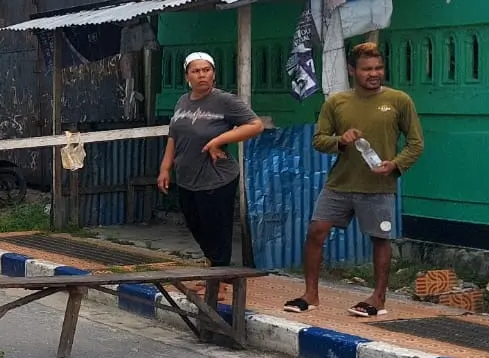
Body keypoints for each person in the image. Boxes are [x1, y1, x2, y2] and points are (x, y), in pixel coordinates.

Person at [286, 42, 423, 318]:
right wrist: (341, 140)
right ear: (352, 70)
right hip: (340, 183)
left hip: (378, 186)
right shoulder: (336, 102)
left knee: (379, 240)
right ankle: (310, 294)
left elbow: (416, 143)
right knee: (316, 232)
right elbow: (319, 140)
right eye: (367, 69)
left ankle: (378, 298)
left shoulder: (399, 101)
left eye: (378, 68)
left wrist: (395, 165)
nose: (374, 73)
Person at [156, 53, 263, 292]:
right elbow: (174, 136)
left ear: (213, 74)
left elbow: (255, 125)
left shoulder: (224, 101)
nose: (202, 75)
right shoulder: (182, 101)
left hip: (217, 176)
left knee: (217, 229)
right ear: (187, 76)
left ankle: (218, 284)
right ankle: (216, 272)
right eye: (196, 71)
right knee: (196, 225)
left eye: (206, 70)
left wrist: (219, 141)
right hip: (186, 177)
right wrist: (165, 168)